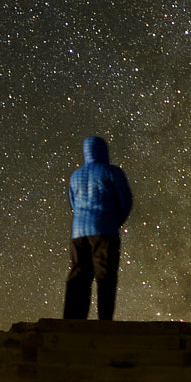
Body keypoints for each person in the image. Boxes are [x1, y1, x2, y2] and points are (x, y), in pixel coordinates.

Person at [62, 136, 134, 321]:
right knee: (105, 277)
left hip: (78, 233)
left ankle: (73, 320)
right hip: (105, 231)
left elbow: (73, 203)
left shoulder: (75, 175)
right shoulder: (112, 172)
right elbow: (125, 202)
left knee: (79, 276)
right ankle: (104, 320)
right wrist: (114, 221)